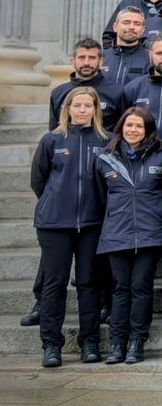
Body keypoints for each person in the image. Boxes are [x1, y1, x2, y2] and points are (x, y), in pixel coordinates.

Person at [33, 88, 109, 367]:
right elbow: (38, 181)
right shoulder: (52, 140)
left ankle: (90, 341)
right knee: (55, 284)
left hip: (91, 224)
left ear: (95, 109)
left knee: (89, 284)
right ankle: (51, 344)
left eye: (87, 105)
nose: (82, 110)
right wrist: (57, 203)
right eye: (77, 105)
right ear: (67, 108)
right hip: (55, 225)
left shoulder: (106, 140)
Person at [93, 107, 162, 365]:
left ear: (147, 129)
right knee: (120, 289)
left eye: (139, 126)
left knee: (141, 287)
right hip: (117, 233)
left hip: (150, 233)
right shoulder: (106, 158)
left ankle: (137, 341)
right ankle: (117, 343)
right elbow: (100, 197)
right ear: (121, 128)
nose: (133, 130)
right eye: (129, 125)